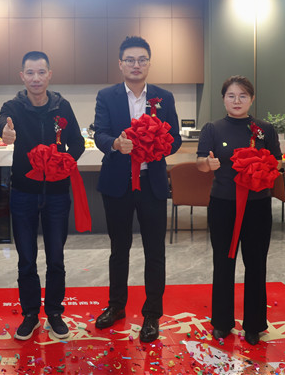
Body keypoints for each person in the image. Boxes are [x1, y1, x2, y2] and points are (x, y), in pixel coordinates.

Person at [93, 36, 181, 343]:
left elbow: (175, 138)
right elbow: (100, 134)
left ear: (149, 63)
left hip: (151, 183)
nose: (136, 65)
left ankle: (152, 314)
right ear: (120, 64)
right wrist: (116, 144)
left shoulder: (163, 97)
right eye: (130, 60)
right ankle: (116, 306)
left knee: (155, 251)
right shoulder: (107, 96)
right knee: (119, 249)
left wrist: (158, 145)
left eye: (142, 59)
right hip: (117, 183)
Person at [0, 51, 85, 341]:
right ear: (22, 76)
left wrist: (64, 162)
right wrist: (6, 133)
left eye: (41, 72)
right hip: (23, 193)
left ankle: (55, 313)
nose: (36, 78)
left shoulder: (62, 106)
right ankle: (30, 313)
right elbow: (3, 125)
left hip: (57, 195)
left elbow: (77, 143)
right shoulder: (13, 106)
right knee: (26, 258)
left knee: (56, 257)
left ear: (49, 74)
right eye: (30, 73)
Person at [196, 75, 281, 346]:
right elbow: (200, 162)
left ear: (251, 99)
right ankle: (222, 322)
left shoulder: (265, 129)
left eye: (243, 96)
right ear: (223, 99)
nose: (237, 101)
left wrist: (264, 167)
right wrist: (207, 164)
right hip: (223, 204)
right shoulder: (213, 128)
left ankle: (254, 324)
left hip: (257, 206)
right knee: (223, 262)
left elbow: (278, 162)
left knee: (256, 263)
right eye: (231, 96)